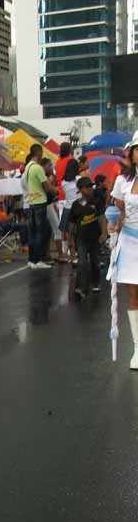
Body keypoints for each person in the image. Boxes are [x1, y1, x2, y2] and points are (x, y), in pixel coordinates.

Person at [109, 131, 138, 370]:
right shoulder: (122, 181)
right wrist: (114, 225)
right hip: (129, 242)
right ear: (133, 153)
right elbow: (119, 210)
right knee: (133, 295)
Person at [68, 177, 107, 299]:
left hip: (95, 238)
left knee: (95, 262)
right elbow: (72, 223)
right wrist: (70, 239)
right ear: (81, 189)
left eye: (91, 186)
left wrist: (104, 233)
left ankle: (95, 283)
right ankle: (81, 288)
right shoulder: (75, 205)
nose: (90, 189)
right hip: (81, 239)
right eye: (88, 187)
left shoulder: (97, 202)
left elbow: (102, 218)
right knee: (82, 263)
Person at [23, 143, 58, 270]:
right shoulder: (37, 168)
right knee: (41, 232)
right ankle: (38, 260)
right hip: (40, 203)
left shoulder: (28, 167)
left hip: (32, 203)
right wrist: (55, 190)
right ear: (38, 153)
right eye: (41, 152)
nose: (42, 155)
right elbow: (46, 186)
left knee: (33, 233)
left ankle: (32, 260)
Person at [40, 156, 65, 263]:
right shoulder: (43, 176)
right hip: (46, 205)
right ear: (44, 166)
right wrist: (52, 186)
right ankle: (60, 255)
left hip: (47, 204)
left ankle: (48, 255)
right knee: (56, 228)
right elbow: (48, 189)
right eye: (49, 165)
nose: (51, 167)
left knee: (47, 230)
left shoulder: (46, 176)